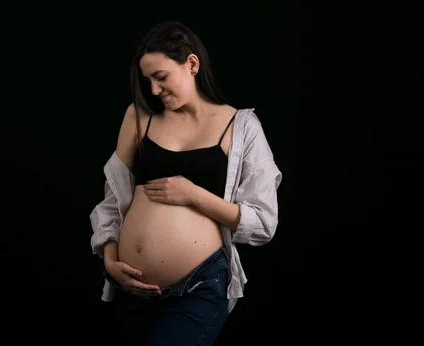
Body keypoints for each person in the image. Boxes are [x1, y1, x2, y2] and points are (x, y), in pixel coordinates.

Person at [90, 21, 282, 346]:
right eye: (147, 80)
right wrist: (111, 259)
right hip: (132, 289)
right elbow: (112, 202)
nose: (153, 90)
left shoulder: (241, 127)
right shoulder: (138, 117)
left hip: (198, 286)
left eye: (161, 77)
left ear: (191, 64)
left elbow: (264, 222)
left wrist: (193, 195)